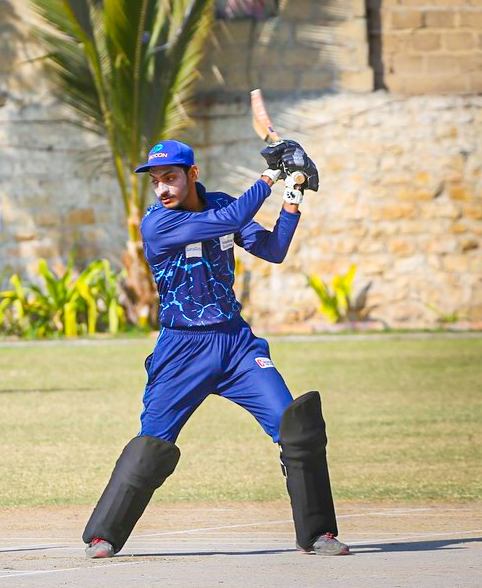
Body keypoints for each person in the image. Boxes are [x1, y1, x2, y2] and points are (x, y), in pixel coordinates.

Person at [82, 139, 349, 558]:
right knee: (153, 441)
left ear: (193, 174)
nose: (162, 188)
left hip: (237, 346)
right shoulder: (157, 223)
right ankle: (104, 536)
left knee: (295, 428)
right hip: (181, 350)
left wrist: (293, 192)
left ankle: (318, 534)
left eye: (170, 178)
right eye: (156, 181)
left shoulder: (222, 204)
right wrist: (271, 175)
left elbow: (273, 250)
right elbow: (232, 217)